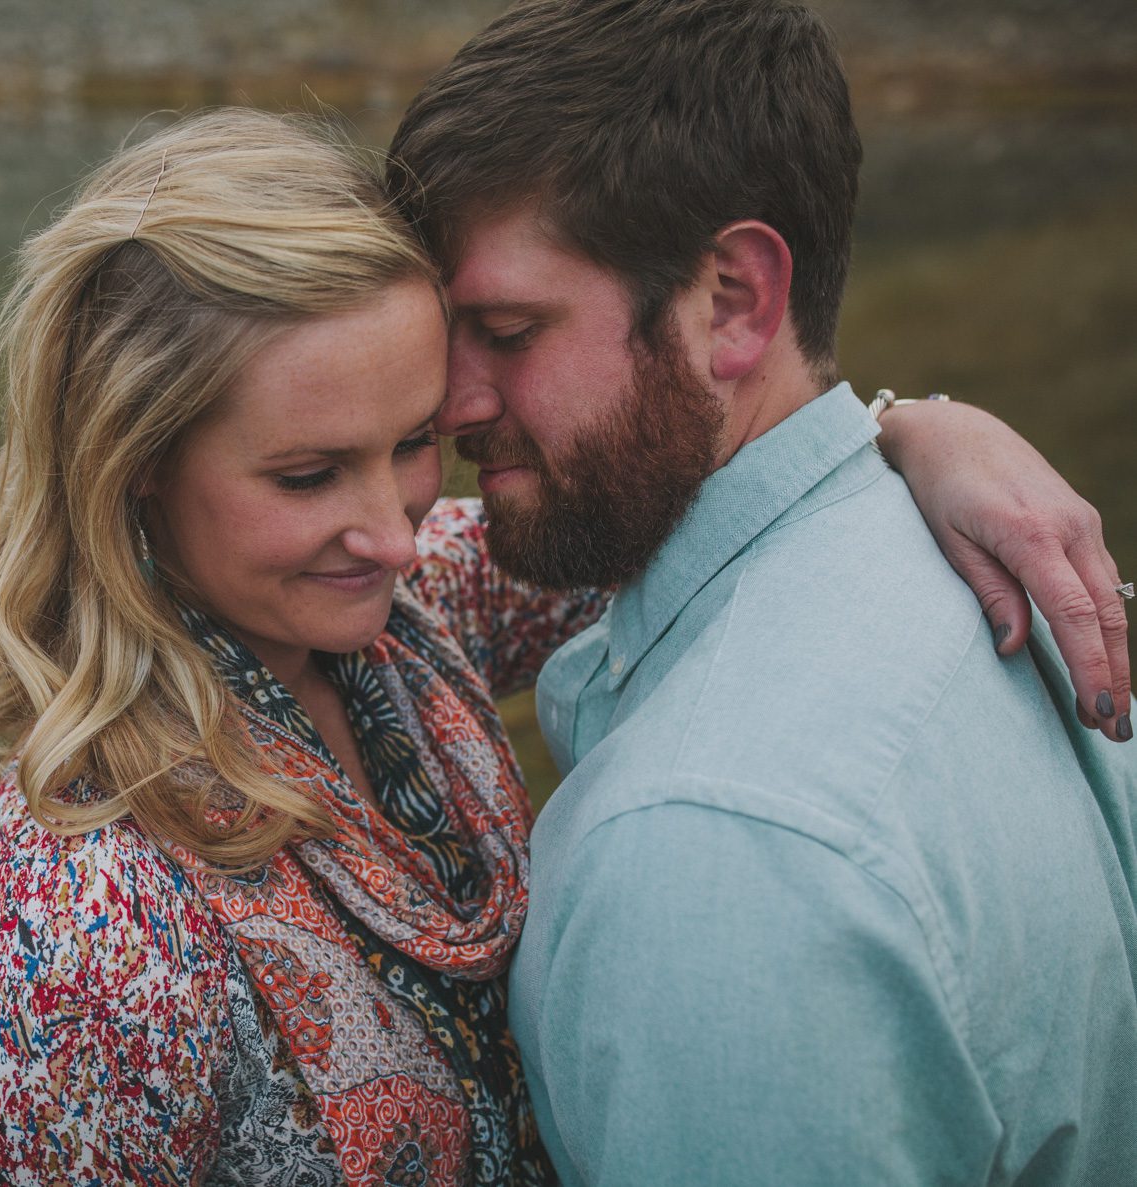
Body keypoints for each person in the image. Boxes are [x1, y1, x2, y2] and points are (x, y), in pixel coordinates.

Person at [0, 110, 1125, 1185]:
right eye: (305, 474)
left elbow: (667, 500)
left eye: (410, 442)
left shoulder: (399, 612)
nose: (390, 529)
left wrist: (913, 429)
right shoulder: (80, 936)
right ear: (130, 470)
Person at [385, 1, 1137, 1183]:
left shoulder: (705, 852)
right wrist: (907, 420)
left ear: (732, 300)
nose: (449, 404)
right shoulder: (980, 578)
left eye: (507, 329)